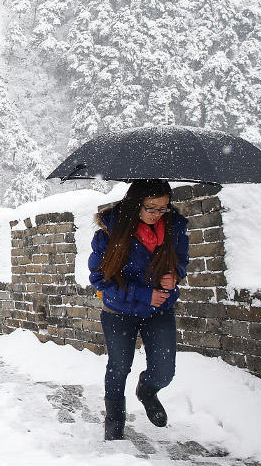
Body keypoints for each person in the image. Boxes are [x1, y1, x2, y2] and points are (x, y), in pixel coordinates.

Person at [88, 179, 189, 441]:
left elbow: (181, 261)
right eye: (151, 208)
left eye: (163, 208)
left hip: (160, 309)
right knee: (119, 367)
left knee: (165, 370)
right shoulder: (109, 234)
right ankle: (115, 418)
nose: (157, 215)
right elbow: (99, 281)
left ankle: (147, 390)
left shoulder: (174, 229)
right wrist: (144, 294)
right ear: (135, 205)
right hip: (120, 310)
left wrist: (174, 275)